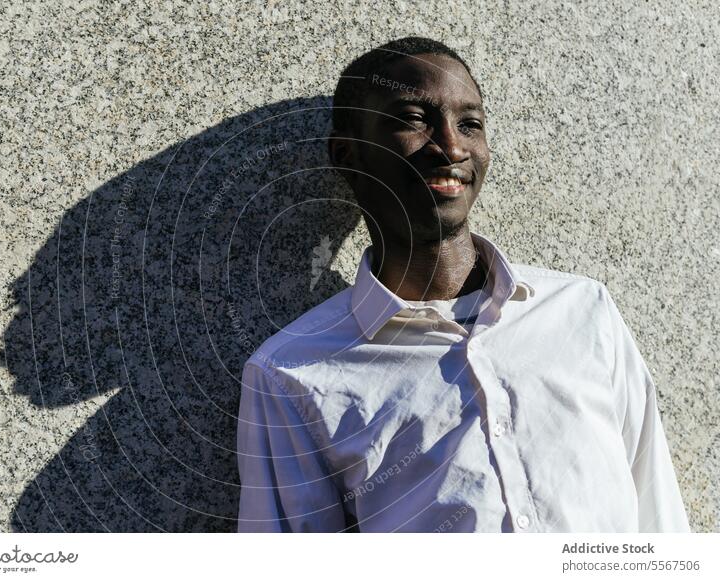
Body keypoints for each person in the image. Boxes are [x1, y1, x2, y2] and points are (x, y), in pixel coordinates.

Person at [235, 36, 690, 533]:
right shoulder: (291, 373)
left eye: (469, 124)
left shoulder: (583, 311)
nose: (451, 146)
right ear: (347, 155)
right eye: (413, 120)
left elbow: (658, 516)